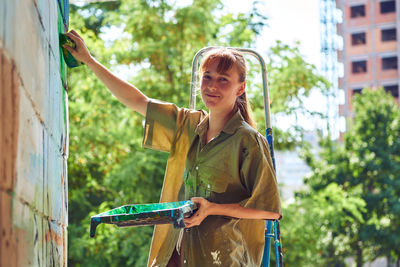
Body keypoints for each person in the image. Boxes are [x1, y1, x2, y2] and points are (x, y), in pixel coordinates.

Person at [63, 30, 282, 267]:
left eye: (223, 79)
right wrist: (89, 60)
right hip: (179, 253)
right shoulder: (187, 125)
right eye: (207, 76)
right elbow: (138, 101)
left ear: (240, 89)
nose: (212, 86)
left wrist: (211, 209)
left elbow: (268, 210)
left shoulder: (248, 140)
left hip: (224, 258)